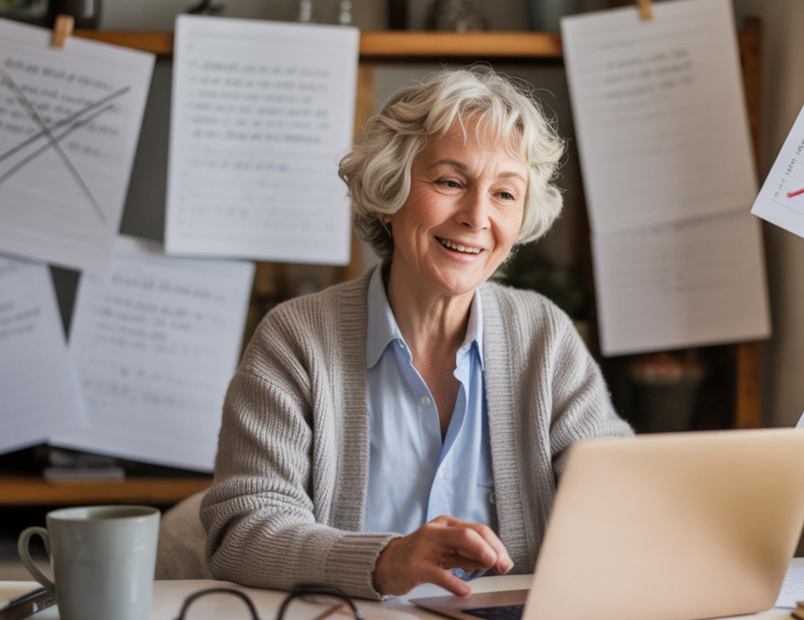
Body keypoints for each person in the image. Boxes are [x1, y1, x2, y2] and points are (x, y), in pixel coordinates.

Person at [200, 67, 632, 600]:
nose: (477, 216)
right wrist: (386, 561)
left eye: (505, 194)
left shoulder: (545, 338)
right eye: (450, 182)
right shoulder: (296, 340)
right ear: (390, 192)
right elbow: (242, 530)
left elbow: (619, 497)